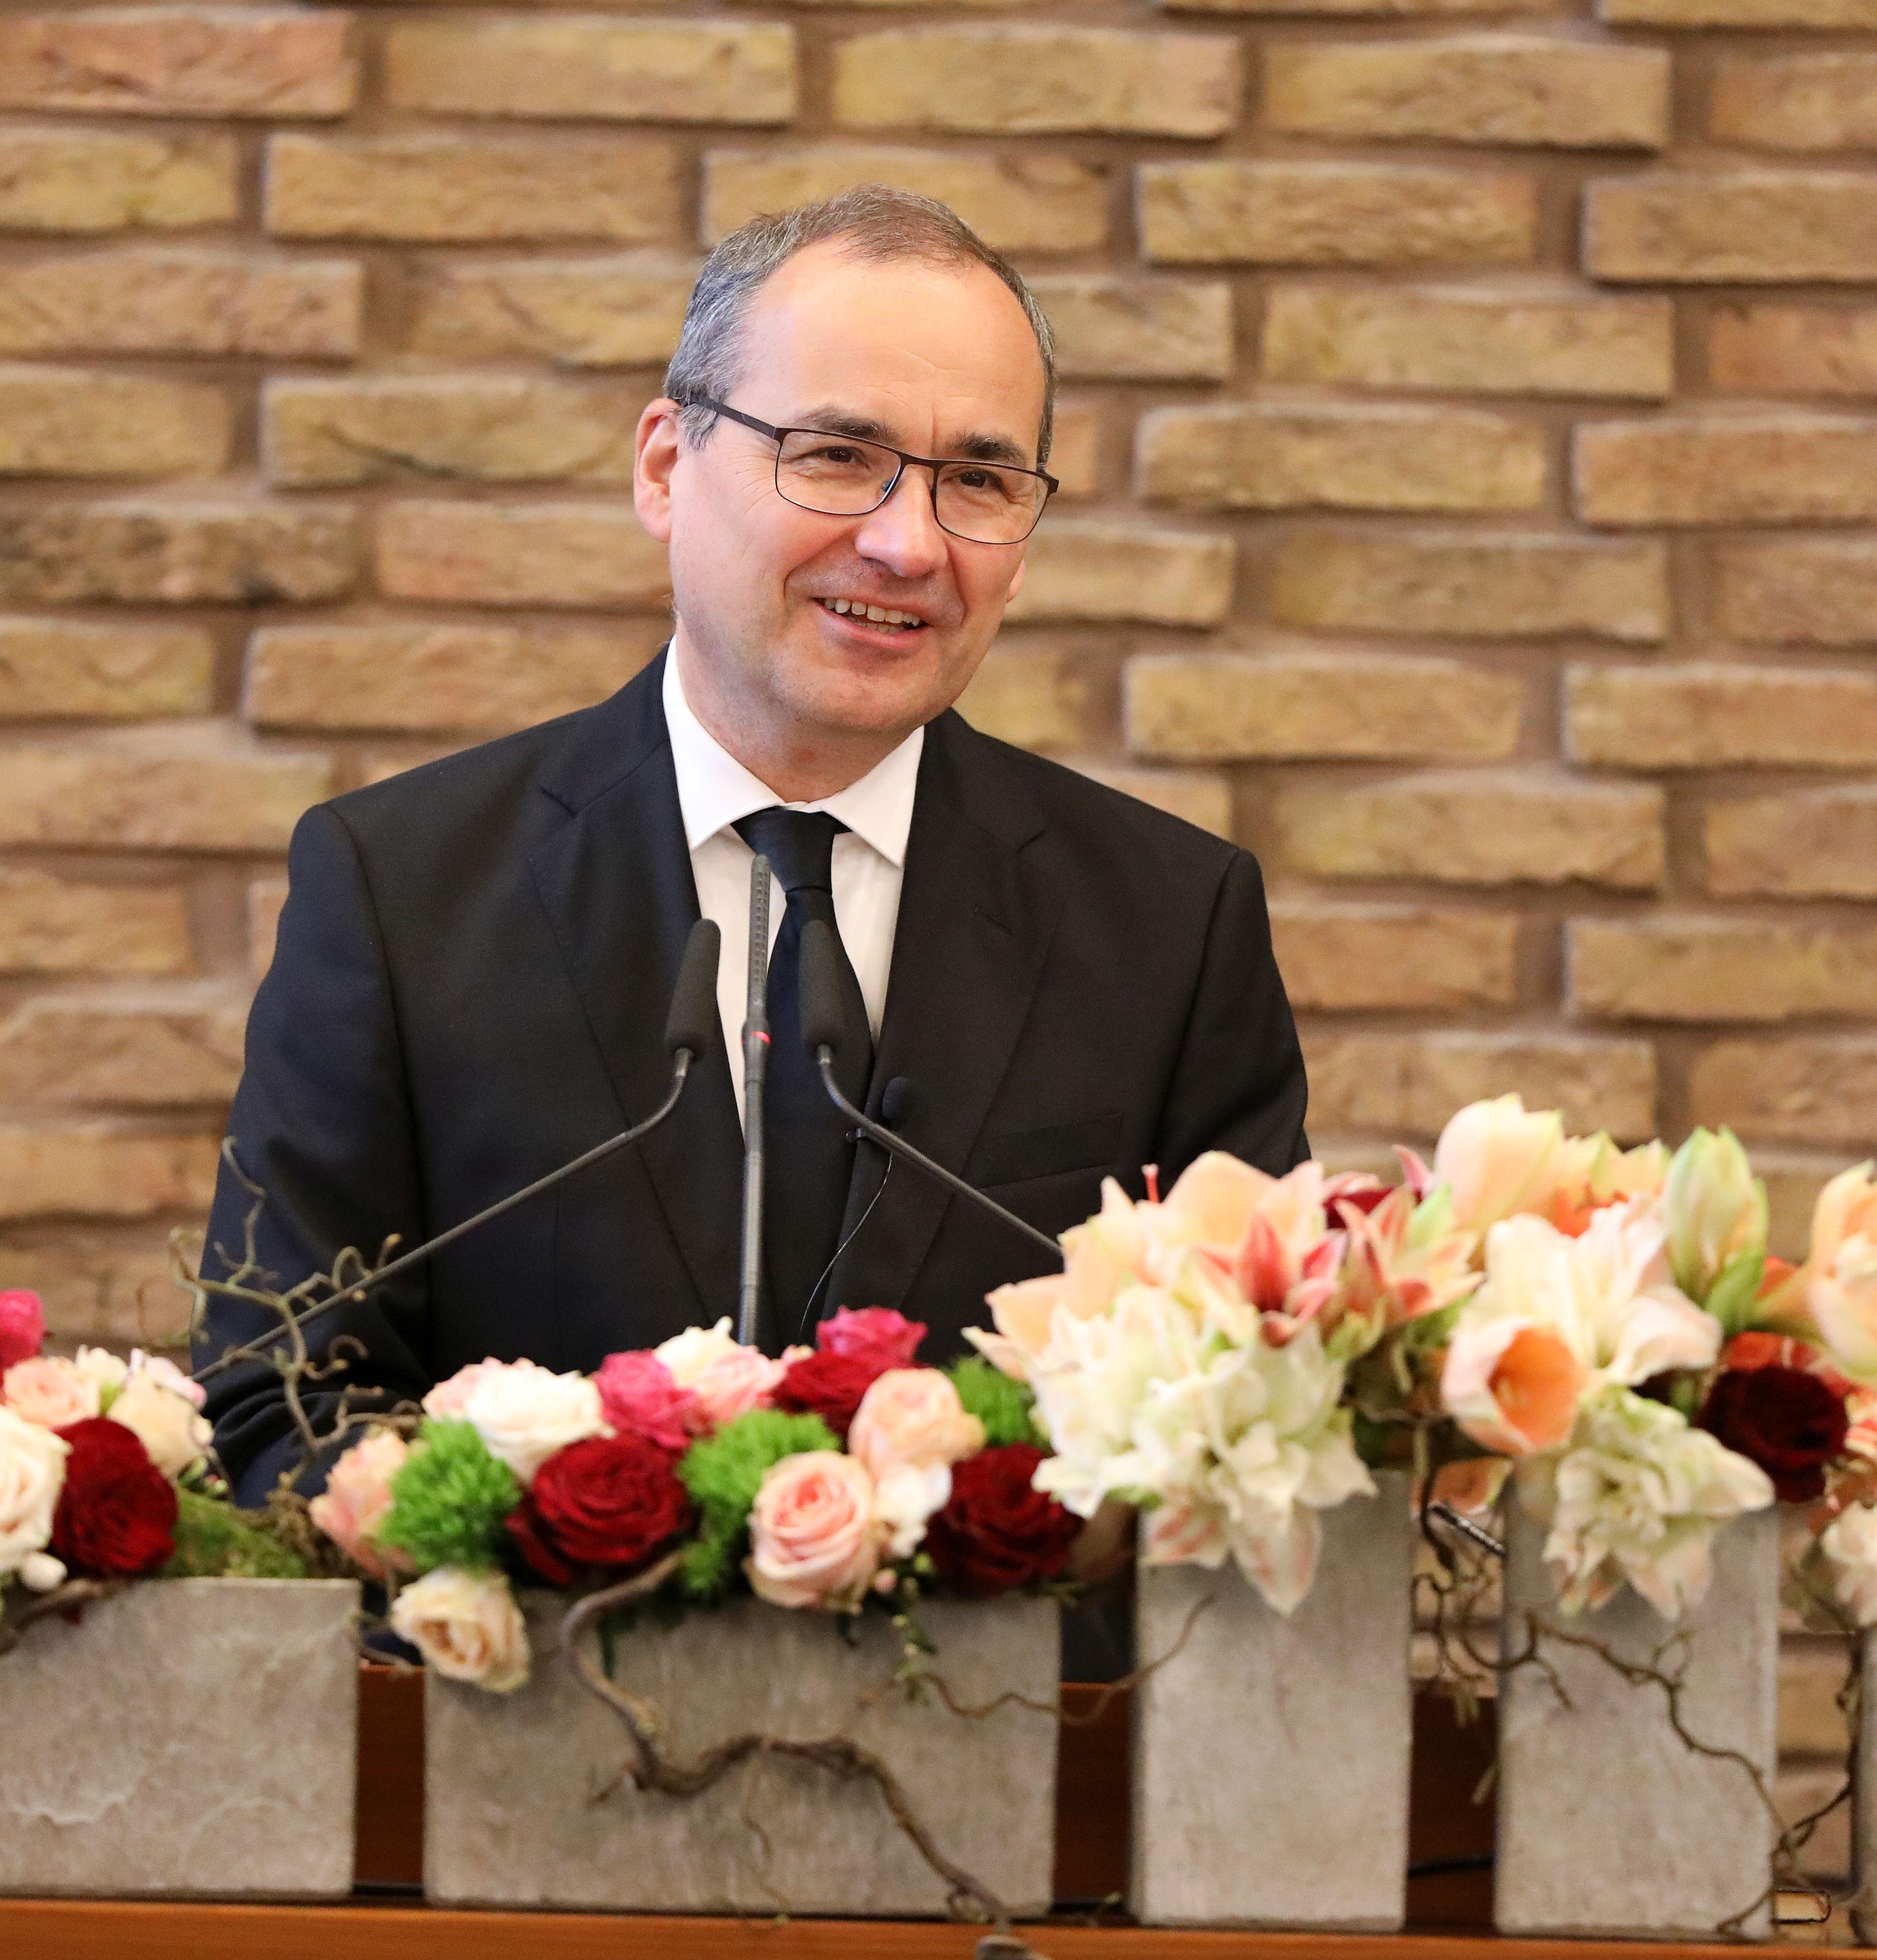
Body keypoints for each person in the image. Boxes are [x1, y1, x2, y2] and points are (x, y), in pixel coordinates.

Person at [197, 187, 1310, 1501]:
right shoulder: (399, 893)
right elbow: (280, 1400)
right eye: (835, 455)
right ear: (666, 469)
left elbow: (1249, 1412)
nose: (907, 544)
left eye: (978, 482)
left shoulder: (1173, 928)